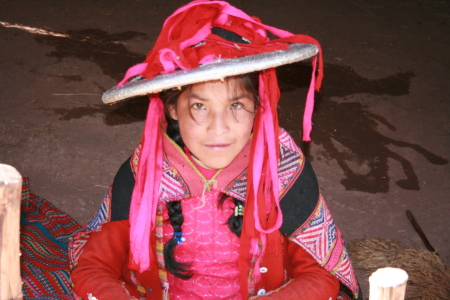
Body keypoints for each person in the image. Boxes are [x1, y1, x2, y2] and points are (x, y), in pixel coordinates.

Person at [69, 1, 361, 299]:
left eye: (236, 105)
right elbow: (93, 268)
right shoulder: (145, 173)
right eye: (199, 106)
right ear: (172, 109)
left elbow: (321, 274)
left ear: (259, 107)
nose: (218, 128)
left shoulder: (283, 173)